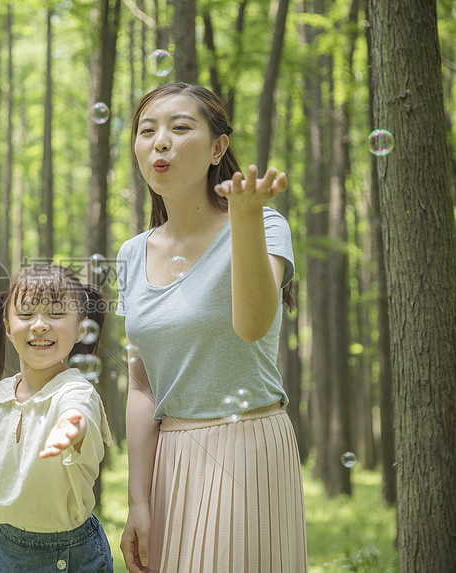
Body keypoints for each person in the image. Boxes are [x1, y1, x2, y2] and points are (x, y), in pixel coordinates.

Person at [116, 82, 307, 572]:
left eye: (181, 128)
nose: (160, 142)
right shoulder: (131, 254)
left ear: (218, 148)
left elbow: (253, 323)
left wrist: (244, 217)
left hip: (246, 443)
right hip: (171, 458)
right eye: (147, 130)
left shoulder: (263, 224)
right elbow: (141, 385)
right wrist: (139, 499)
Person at [0, 264, 115, 573]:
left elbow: (76, 411)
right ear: (8, 328)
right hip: (1, 554)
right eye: (25, 314)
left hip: (70, 559)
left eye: (56, 314)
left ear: (81, 329)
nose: (39, 325)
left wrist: (71, 428)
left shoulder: (76, 391)